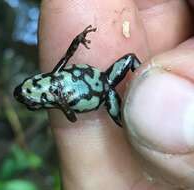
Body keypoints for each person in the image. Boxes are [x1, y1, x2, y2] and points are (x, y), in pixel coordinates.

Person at [39, 0, 194, 189]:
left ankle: (144, 85)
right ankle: (143, 111)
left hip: (105, 79)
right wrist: (63, 104)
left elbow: (67, 56)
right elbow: (71, 118)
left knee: (129, 59)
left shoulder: (54, 75)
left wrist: (80, 38)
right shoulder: (52, 101)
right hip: (105, 98)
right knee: (127, 122)